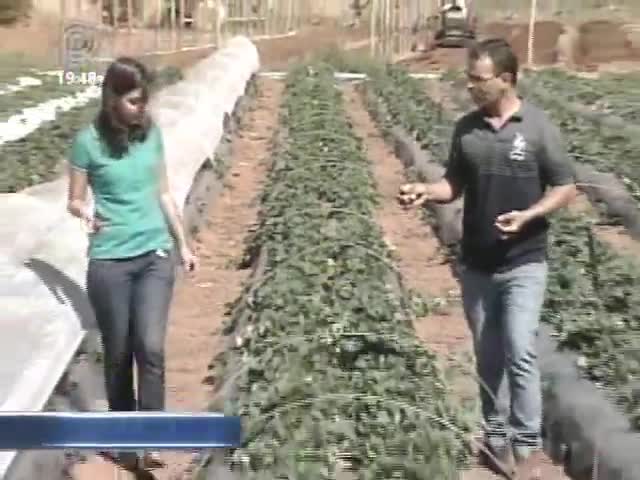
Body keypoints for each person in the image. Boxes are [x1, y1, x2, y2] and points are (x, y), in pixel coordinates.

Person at [398, 38, 576, 479]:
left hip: (525, 261)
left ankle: (526, 443)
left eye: (479, 80)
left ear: (506, 80)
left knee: (520, 349)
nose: (470, 87)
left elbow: (565, 186)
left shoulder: (536, 127)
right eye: (470, 79)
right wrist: (425, 192)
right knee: (487, 355)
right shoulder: (467, 129)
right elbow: (452, 186)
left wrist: (530, 215)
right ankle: (494, 437)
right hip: (477, 263)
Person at [67, 57, 198, 471]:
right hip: (109, 261)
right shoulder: (87, 142)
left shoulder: (151, 135)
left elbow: (163, 193)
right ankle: (124, 435)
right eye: (134, 101)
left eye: (145, 101)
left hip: (154, 254)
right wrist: (84, 212)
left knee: (152, 347)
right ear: (113, 99)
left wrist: (184, 243)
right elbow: (73, 198)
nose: (143, 108)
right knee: (120, 354)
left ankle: (152, 435)